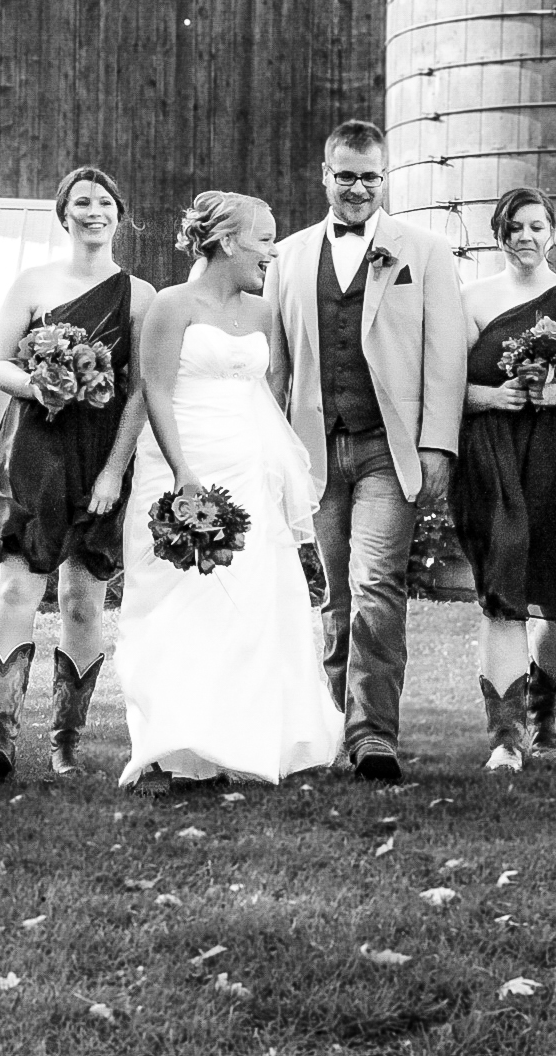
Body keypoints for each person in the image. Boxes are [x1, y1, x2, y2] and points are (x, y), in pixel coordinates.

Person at [115, 193, 342, 790]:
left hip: (244, 470)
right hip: (176, 465)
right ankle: (160, 749)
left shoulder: (265, 313)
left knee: (240, 609)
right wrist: (184, 472)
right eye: (264, 238)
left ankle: (222, 743)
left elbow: (265, 394)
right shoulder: (171, 305)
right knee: (167, 602)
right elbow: (156, 391)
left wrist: (274, 470)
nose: (272, 250)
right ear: (226, 240)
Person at [265, 120, 468, 782]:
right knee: (332, 593)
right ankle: (328, 726)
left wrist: (438, 446)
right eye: (345, 175)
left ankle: (374, 732)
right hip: (314, 450)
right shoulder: (289, 257)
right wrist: (269, 450)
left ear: (386, 179)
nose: (357, 188)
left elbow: (445, 358)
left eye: (370, 177)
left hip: (389, 447)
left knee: (377, 585)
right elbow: (276, 366)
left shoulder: (426, 252)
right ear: (324, 175)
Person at [0, 165, 153, 780]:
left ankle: (65, 739)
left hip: (98, 455)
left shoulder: (141, 295)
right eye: (82, 201)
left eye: (105, 201)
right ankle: (0, 733)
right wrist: (39, 385)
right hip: (33, 448)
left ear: (118, 213)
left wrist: (114, 473)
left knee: (81, 600)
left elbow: (139, 393)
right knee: (17, 586)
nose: (94, 210)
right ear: (64, 213)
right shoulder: (33, 281)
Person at [451, 188, 556, 771]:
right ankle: (505, 737)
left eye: (535, 226)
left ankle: (541, 718)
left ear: (554, 232)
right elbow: (444, 387)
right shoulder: (470, 299)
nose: (524, 237)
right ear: (497, 235)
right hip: (495, 459)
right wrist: (494, 395)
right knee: (503, 596)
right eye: (512, 228)